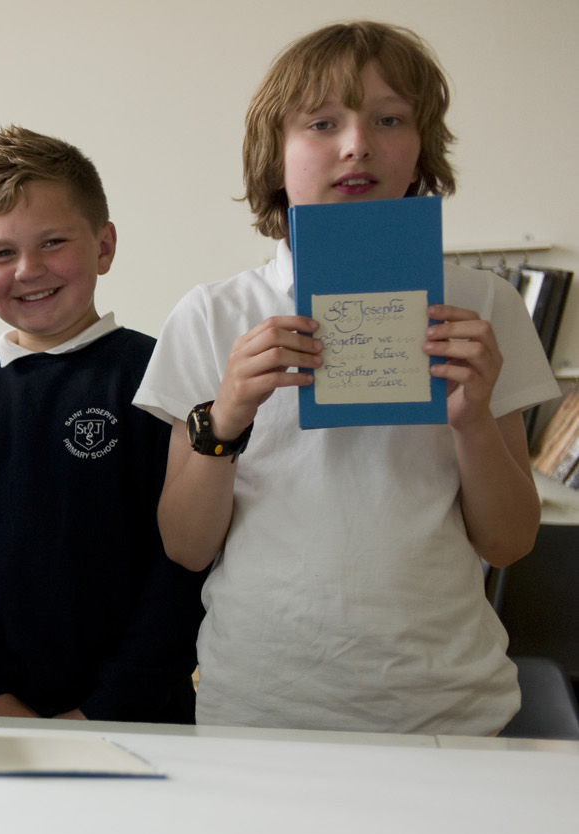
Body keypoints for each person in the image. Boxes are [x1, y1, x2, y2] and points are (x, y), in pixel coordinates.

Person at [135, 21, 558, 734]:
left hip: (452, 705)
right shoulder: (215, 314)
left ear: (421, 146)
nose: (357, 143)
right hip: (264, 701)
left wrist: (474, 419)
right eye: (322, 123)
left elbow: (508, 542)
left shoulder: (485, 306)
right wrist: (228, 414)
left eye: (389, 119)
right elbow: (186, 544)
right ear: (275, 156)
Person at [0, 127, 205, 723]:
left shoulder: (165, 385)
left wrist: (101, 712)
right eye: (2, 252)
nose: (29, 269)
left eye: (53, 242)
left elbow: (185, 570)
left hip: (142, 725)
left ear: (104, 246)